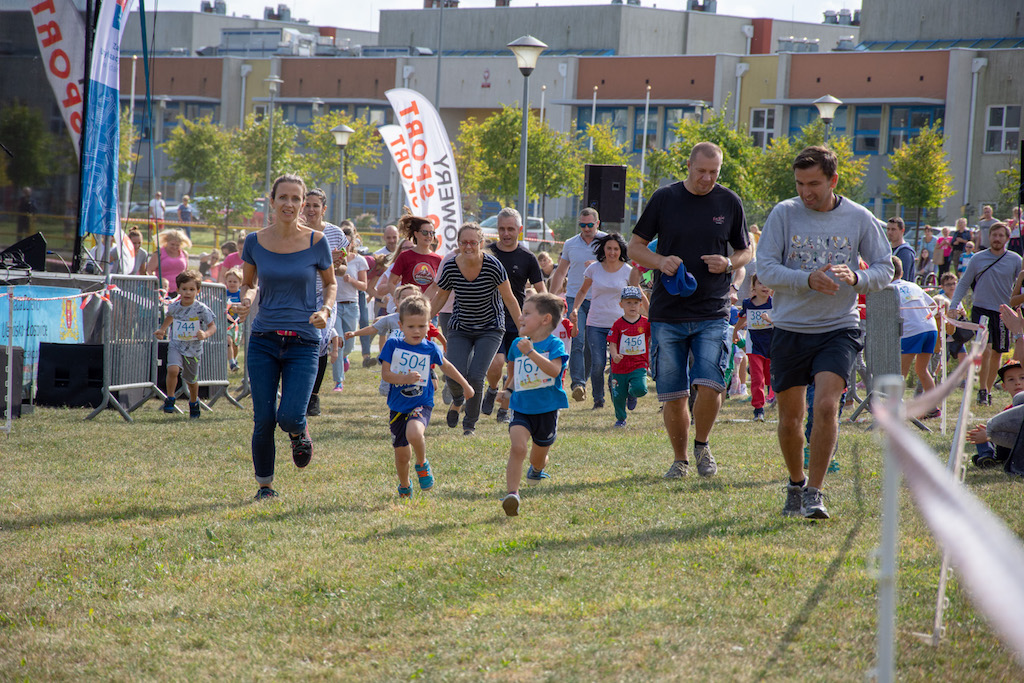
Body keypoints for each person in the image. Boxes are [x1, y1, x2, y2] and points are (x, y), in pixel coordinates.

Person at [756, 145, 894, 519]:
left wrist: (859, 277)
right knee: (789, 419)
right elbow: (765, 268)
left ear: (833, 180)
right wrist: (806, 279)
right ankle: (796, 484)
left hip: (838, 327)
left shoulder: (860, 218)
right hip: (790, 327)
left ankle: (815, 492)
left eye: (814, 183)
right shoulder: (783, 214)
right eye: (800, 183)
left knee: (827, 405)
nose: (806, 192)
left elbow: (886, 267)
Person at [628, 141, 752, 479]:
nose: (707, 179)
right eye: (701, 171)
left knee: (711, 384)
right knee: (673, 391)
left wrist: (729, 263)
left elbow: (745, 250)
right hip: (668, 312)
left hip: (713, 311)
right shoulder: (665, 199)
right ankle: (680, 459)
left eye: (714, 173)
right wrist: (660, 261)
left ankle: (702, 444)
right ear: (688, 166)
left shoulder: (729, 202)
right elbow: (634, 247)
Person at [236, 174, 337, 501]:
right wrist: (247, 299)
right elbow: (249, 282)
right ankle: (265, 486)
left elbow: (331, 283)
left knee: (290, 415)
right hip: (264, 338)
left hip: (304, 341)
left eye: (297, 199)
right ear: (272, 200)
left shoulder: (316, 242)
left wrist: (325, 309)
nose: (291, 204)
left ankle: (298, 430)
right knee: (263, 417)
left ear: (304, 202)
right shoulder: (254, 241)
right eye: (284, 198)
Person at [431, 223, 523, 436]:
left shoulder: (493, 265)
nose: (468, 246)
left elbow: (509, 299)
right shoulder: (452, 266)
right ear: (458, 244)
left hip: (490, 328)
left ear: (481, 243)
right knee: (453, 374)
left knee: (475, 376)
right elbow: (441, 296)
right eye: (464, 242)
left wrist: (522, 330)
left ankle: (469, 425)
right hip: (460, 327)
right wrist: (427, 320)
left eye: (473, 242)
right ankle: (458, 399)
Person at [380, 295, 473, 499]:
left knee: (414, 433)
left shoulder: (430, 347)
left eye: (422, 326)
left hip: (422, 402)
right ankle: (405, 485)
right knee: (402, 456)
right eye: (411, 326)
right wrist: (404, 378)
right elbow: (386, 375)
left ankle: (422, 464)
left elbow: (446, 366)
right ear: (400, 325)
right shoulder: (392, 345)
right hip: (397, 406)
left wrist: (465, 385)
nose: (417, 331)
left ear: (429, 325)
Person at [498, 292, 570, 516]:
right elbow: (513, 374)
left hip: (547, 409)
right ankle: (512, 494)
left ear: (545, 319)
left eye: (527, 313)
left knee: (537, 457)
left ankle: (538, 469)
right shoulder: (516, 345)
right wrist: (507, 391)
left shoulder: (554, 344)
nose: (521, 317)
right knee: (517, 448)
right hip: (521, 407)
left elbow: (554, 370)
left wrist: (530, 352)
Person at [480, 208, 547, 424]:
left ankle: (504, 409)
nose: (506, 233)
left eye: (510, 229)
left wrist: (549, 310)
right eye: (501, 229)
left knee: (514, 368)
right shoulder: (486, 253)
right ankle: (491, 389)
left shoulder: (527, 257)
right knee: (496, 364)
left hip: (518, 319)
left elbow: (540, 288)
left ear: (520, 230)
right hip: (490, 318)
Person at [947, 222, 1022, 406]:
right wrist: (954, 304)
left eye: (1001, 236)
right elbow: (964, 283)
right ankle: (982, 390)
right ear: (989, 237)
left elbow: (1019, 286)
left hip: (1004, 311)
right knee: (986, 349)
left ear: (1007, 238)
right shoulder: (978, 258)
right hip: (981, 309)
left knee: (997, 352)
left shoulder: (1015, 259)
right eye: (994, 235)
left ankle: (988, 391)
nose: (997, 239)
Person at [570, 233, 643, 410]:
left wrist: (648, 315)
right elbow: (581, 292)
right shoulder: (594, 269)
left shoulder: (627, 270)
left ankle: (616, 390)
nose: (612, 252)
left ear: (621, 251)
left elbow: (637, 294)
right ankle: (598, 400)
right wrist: (575, 308)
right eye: (609, 248)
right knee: (597, 363)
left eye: (616, 249)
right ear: (603, 249)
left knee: (619, 363)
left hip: (620, 325)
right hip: (595, 323)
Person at [549, 208, 607, 403]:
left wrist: (599, 263)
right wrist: (551, 296)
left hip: (600, 298)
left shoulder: (607, 242)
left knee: (593, 345)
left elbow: (618, 266)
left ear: (597, 223)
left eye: (590, 225)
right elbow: (560, 272)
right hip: (575, 298)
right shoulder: (570, 244)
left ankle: (590, 384)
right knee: (577, 340)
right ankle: (578, 384)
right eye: (582, 225)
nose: (586, 228)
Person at [301, 189, 348, 414]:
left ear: (324, 209)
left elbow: (343, 267)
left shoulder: (336, 234)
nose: (311, 209)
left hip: (324, 296)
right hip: (298, 294)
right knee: (299, 343)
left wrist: (337, 265)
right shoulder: (295, 231)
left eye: (315, 205)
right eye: (307, 204)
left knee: (320, 342)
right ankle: (297, 393)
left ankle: (313, 396)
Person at [154, 269, 217, 419]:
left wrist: (205, 334)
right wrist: (162, 329)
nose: (188, 293)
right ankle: (170, 398)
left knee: (191, 380)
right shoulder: (174, 307)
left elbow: (213, 326)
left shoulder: (201, 309)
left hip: (193, 349)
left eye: (191, 289)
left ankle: (194, 402)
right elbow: (170, 317)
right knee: (173, 369)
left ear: (198, 291)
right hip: (176, 344)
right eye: (184, 289)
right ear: (178, 290)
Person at [891, 256, 940, 418]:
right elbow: (934, 306)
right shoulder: (913, 285)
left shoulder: (889, 289)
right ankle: (933, 409)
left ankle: (895, 410)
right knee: (921, 370)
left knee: (900, 372)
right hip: (930, 328)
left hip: (912, 331)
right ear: (902, 272)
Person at [606, 286, 651, 428]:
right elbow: (612, 342)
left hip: (639, 364)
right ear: (621, 305)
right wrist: (614, 355)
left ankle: (632, 393)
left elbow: (654, 335)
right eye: (628, 303)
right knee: (618, 396)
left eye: (636, 303)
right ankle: (621, 419)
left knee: (641, 389)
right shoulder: (618, 324)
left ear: (641, 305)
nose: (632, 306)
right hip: (620, 367)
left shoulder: (645, 323)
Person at [967, 359, 1024, 468]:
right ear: (1004, 386)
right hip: (1006, 447)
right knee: (982, 430)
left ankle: (989, 456)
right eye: (1011, 379)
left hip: (1017, 447)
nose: (1017, 382)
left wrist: (989, 436)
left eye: (1022, 378)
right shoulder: (1007, 410)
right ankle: (986, 456)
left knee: (988, 433)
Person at [332, 224, 369, 393]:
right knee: (338, 343)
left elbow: (364, 286)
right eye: (342, 245)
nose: (344, 248)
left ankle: (346, 356)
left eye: (347, 244)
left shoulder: (360, 260)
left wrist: (352, 281)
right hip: (335, 305)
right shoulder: (333, 260)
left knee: (348, 344)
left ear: (352, 243)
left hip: (351, 306)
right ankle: (338, 382)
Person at [733, 274, 774, 421]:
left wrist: (768, 319)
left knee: (771, 377)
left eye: (767, 283)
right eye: (760, 283)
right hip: (754, 346)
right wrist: (735, 331)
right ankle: (758, 409)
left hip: (771, 345)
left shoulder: (774, 304)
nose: (764, 286)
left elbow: (780, 323)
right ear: (754, 287)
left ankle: (774, 398)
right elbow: (743, 317)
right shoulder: (747, 303)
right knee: (757, 378)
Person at [388, 213, 442, 294]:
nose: (429, 236)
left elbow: (439, 287)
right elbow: (391, 282)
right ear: (416, 234)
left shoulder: (438, 259)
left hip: (429, 305)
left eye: (432, 233)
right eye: (425, 232)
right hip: (409, 304)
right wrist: (398, 300)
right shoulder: (405, 256)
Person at [146, 228, 191, 295]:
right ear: (166, 242)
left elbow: (186, 272)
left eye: (177, 245)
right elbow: (149, 270)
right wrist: (154, 283)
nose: (175, 247)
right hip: (162, 290)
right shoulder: (159, 253)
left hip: (180, 291)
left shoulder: (184, 254)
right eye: (172, 244)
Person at [223, 266, 244, 371]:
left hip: (237, 323)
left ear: (240, 283)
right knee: (228, 341)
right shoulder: (224, 293)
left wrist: (238, 308)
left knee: (235, 344)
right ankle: (231, 363)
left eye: (235, 282)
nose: (232, 283)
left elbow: (245, 306)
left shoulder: (241, 294)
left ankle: (234, 359)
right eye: (230, 281)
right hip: (227, 323)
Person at [887, 216, 916, 283]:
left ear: (902, 230)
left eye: (893, 229)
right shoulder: (887, 249)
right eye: (888, 229)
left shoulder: (905, 252)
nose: (890, 232)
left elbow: (903, 279)